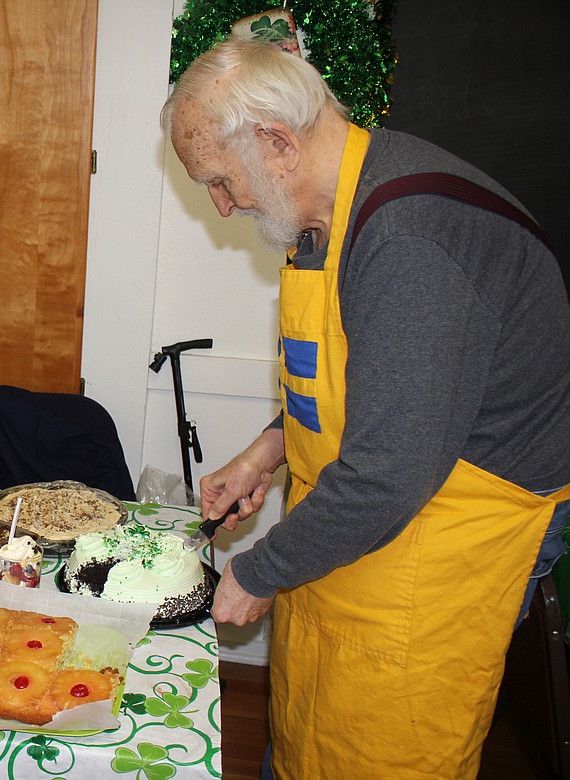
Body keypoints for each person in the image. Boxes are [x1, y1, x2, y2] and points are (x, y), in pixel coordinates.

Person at [161, 38, 570, 779]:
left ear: (277, 143)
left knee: (387, 746)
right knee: (313, 727)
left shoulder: (412, 239)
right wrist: (270, 447)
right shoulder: (326, 212)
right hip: (379, 509)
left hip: (446, 528)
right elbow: (363, 382)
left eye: (220, 181)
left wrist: (258, 570)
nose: (222, 206)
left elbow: (388, 474)